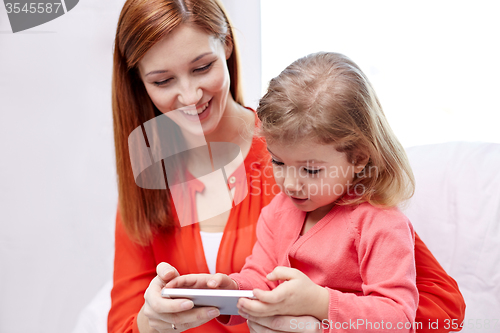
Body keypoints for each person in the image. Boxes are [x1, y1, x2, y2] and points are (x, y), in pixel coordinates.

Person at [108, 1, 465, 332]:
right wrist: (152, 320)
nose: (189, 96)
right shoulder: (151, 180)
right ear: (138, 82)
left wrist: (318, 318)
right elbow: (124, 322)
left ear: (227, 46)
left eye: (202, 67)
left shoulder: (306, 143)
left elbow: (440, 308)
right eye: (163, 81)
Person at [166, 51, 419, 331]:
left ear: (358, 158)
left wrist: (320, 303)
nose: (289, 183)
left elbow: (398, 318)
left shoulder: (380, 224)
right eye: (278, 162)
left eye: (310, 170)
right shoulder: (278, 211)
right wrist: (231, 289)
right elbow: (261, 276)